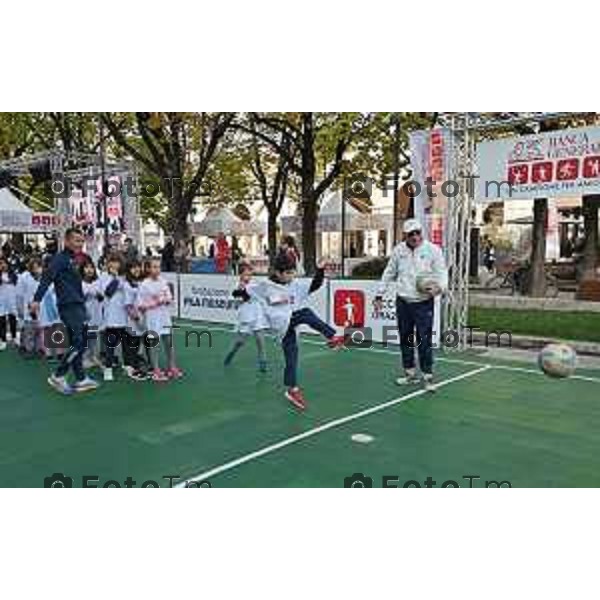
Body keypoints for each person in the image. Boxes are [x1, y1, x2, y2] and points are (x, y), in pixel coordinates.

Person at [248, 253, 345, 410]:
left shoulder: (294, 284)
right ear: (278, 273)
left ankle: (292, 390)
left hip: (290, 325)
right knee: (305, 313)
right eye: (288, 273)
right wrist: (240, 291)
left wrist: (319, 270)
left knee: (292, 358)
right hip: (280, 324)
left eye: (293, 272)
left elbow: (314, 285)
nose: (291, 275)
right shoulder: (264, 285)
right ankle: (332, 336)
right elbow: (247, 291)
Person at [374, 219, 448, 393]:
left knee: (424, 340)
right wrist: (379, 294)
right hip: (403, 302)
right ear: (405, 236)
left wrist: (440, 287)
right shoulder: (398, 251)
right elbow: (389, 272)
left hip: (423, 303)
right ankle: (409, 373)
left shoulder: (433, 250)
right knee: (405, 338)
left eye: (417, 232)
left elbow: (441, 272)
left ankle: (428, 377)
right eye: (411, 234)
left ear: (421, 232)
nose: (415, 237)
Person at [30, 228, 99, 394]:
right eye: (76, 240)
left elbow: (77, 284)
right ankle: (58, 375)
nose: (79, 244)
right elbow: (47, 278)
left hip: (78, 305)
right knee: (78, 343)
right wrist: (36, 300)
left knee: (79, 343)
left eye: (81, 241)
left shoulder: (76, 259)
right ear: (67, 241)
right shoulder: (59, 259)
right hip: (68, 306)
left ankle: (81, 379)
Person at [137, 257, 183, 382]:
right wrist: (155, 303)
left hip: (165, 317)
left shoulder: (163, 281)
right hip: (152, 318)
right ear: (148, 269)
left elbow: (169, 297)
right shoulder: (144, 284)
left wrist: (166, 300)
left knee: (169, 342)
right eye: (154, 267)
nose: (157, 270)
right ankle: (156, 369)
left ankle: (172, 367)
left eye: (159, 267)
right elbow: (140, 305)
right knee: (153, 344)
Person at [224, 262, 269, 373]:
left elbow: (261, 293)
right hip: (246, 315)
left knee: (260, 339)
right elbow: (237, 299)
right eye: (246, 275)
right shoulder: (236, 286)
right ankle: (232, 353)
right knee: (240, 341)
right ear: (240, 275)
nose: (248, 277)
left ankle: (263, 362)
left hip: (257, 314)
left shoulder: (254, 284)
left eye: (250, 275)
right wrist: (242, 291)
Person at [99, 254, 128, 382]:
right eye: (112, 262)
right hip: (110, 315)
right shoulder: (103, 277)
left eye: (117, 262)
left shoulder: (125, 277)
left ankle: (126, 365)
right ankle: (108, 368)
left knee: (124, 343)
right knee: (110, 343)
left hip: (123, 315)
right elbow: (108, 292)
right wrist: (116, 278)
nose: (114, 265)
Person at [122, 259, 149, 381]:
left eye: (138, 266)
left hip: (145, 317)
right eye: (133, 267)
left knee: (139, 343)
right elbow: (128, 306)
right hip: (133, 319)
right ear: (128, 270)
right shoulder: (127, 285)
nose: (136, 269)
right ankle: (131, 368)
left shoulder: (143, 282)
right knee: (132, 343)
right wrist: (137, 320)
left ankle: (138, 365)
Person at [16, 257, 44, 357]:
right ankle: (28, 349)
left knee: (39, 329)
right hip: (27, 307)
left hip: (41, 308)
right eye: (35, 267)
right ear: (30, 268)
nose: (37, 269)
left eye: (39, 267)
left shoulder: (45, 277)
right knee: (29, 331)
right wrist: (20, 309)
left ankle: (39, 348)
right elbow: (19, 294)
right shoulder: (24, 277)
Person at [80, 259, 104, 369]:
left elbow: (102, 298)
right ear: (82, 269)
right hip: (84, 314)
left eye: (91, 267)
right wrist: (87, 295)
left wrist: (98, 295)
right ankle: (84, 358)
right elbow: (78, 298)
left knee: (94, 335)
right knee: (85, 336)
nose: (89, 270)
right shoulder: (79, 282)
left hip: (96, 313)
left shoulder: (98, 282)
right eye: (86, 267)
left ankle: (93, 356)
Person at [0, 256, 18, 351]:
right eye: (1, 264)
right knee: (1, 320)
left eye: (4, 263)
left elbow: (16, 283)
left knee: (12, 318)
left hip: (11, 300)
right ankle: (3, 340)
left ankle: (14, 337)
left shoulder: (13, 274)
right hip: (1, 300)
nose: (3, 265)